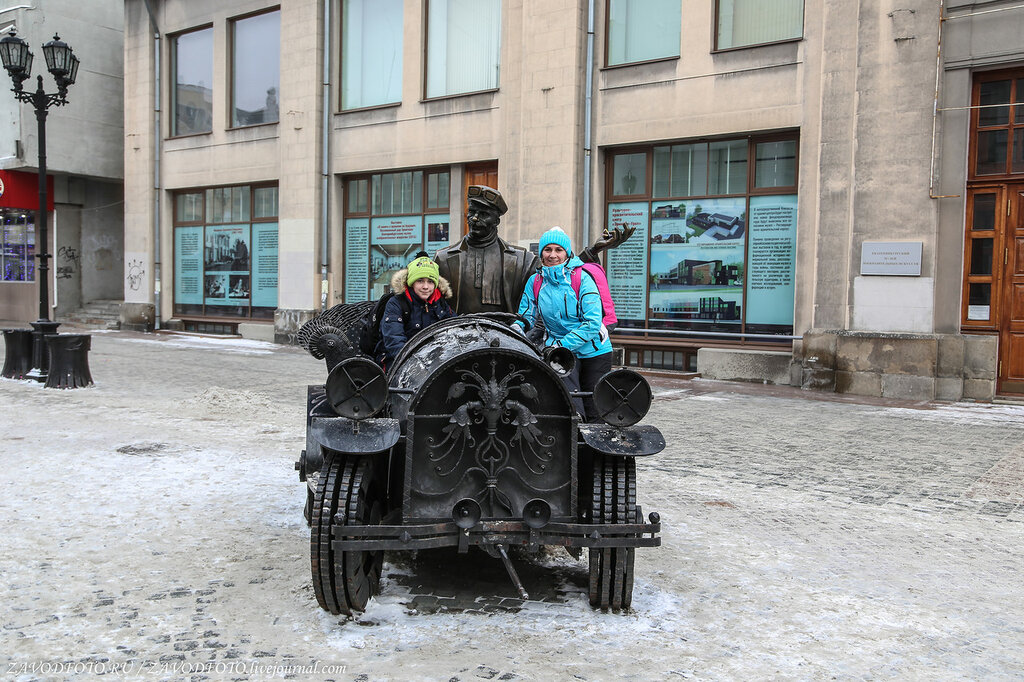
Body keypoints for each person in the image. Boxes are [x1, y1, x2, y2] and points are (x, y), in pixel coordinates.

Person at [434, 185, 633, 315]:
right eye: (472, 212)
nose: (475, 218)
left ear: (496, 220)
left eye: (483, 214)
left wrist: (592, 251)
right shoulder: (443, 258)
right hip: (457, 342)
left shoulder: (521, 260)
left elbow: (558, 273)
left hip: (506, 342)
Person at [516, 227, 613, 422]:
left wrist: (561, 345)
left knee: (596, 409)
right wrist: (515, 329)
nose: (553, 255)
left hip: (594, 351)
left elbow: (593, 322)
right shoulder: (535, 281)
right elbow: (525, 315)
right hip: (560, 353)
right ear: (541, 253)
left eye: (558, 250)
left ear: (567, 253)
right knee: (570, 407)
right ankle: (573, 446)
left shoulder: (581, 278)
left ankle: (595, 451)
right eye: (548, 249)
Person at [379, 253, 456, 368]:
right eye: (420, 281)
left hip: (434, 360)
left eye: (430, 282)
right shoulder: (397, 303)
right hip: (400, 362)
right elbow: (394, 341)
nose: (425, 287)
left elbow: (455, 327)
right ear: (412, 282)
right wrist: (417, 364)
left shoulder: (440, 302)